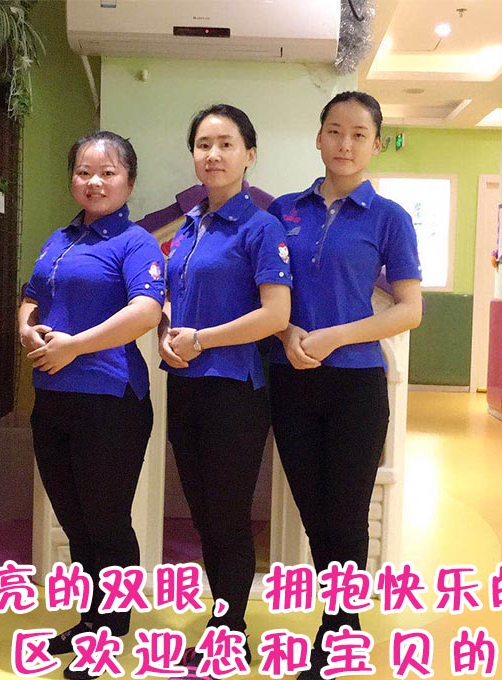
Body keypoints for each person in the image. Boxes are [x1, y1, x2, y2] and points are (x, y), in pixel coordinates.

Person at [267, 91, 423, 680]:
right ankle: (341, 622)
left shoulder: (389, 218)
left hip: (356, 384)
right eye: (335, 130)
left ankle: (337, 633)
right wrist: (286, 333)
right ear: (319, 137)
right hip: (291, 378)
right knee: (314, 511)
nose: (345, 143)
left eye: (359, 134)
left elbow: (409, 309)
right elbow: (265, 292)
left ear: (376, 144)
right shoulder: (284, 211)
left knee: (347, 511)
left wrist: (335, 336)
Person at [18, 131, 164, 680]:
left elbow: (146, 311)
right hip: (53, 397)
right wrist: (27, 331)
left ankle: (107, 630)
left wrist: (75, 346)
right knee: (76, 520)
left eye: (107, 172)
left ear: (129, 181)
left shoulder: (135, 242)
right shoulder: (60, 238)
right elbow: (32, 296)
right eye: (83, 172)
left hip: (111, 400)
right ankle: (92, 619)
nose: (94, 182)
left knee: (106, 519)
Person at [158, 104, 292, 672]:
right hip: (186, 387)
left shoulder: (262, 227)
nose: (213, 154)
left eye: (226, 144)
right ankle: (224, 620)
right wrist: (168, 333)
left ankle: (231, 632)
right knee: (204, 516)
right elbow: (172, 300)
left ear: (249, 155)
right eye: (203, 144)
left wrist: (201, 340)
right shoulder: (188, 227)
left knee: (227, 516)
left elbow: (276, 314)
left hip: (234, 389)